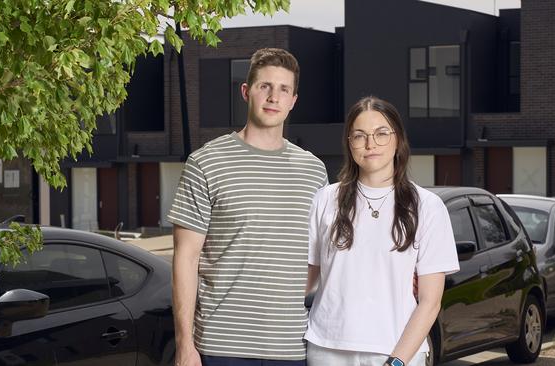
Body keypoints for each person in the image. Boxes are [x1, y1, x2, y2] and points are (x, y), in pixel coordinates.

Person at [168, 48, 328, 366]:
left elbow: (317, 256)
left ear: (294, 100)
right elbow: (185, 259)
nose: (273, 97)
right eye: (264, 86)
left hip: (289, 346)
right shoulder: (206, 162)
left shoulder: (314, 171)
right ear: (246, 91)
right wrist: (185, 345)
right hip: (220, 345)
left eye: (284, 89)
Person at [305, 96, 459, 366]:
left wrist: (397, 361)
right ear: (349, 143)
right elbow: (304, 280)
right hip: (326, 348)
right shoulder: (325, 199)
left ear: (398, 139)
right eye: (359, 135)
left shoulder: (427, 206)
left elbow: (430, 301)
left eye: (381, 133)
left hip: (396, 350)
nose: (370, 144)